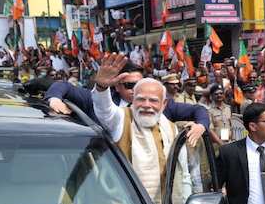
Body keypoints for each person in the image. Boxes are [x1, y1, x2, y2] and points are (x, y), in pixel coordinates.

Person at [91, 53, 191, 204]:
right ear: (133, 100)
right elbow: (105, 110)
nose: (146, 105)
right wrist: (102, 88)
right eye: (141, 99)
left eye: (153, 100)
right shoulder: (122, 119)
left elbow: (184, 176)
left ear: (164, 104)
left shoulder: (172, 130)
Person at [45, 60, 209, 146]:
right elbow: (63, 86)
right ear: (116, 86)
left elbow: (198, 110)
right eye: (130, 85)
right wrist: (54, 99)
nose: (136, 90)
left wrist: (201, 125)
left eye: (139, 84)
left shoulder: (160, 106)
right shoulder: (99, 101)